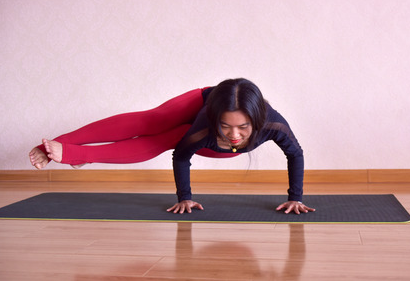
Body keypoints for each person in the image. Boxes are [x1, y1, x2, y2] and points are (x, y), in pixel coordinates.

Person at [29, 78, 315, 215]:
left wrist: (296, 197)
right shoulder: (205, 124)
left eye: (243, 127)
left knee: (168, 138)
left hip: (207, 142)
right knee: (153, 123)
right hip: (198, 106)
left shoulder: (274, 124)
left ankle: (82, 155)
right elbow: (181, 157)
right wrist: (185, 196)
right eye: (227, 127)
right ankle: (64, 146)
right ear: (217, 120)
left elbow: (295, 154)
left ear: (257, 121)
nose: (235, 135)